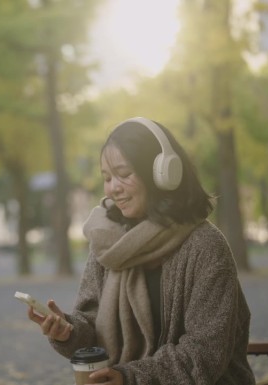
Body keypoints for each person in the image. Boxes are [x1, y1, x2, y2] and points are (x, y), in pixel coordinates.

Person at [26, 117, 255, 385]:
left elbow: (204, 354)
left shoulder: (205, 246)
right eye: (107, 178)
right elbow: (91, 327)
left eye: (124, 174)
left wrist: (130, 378)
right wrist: (67, 331)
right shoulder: (107, 243)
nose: (113, 188)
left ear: (162, 174)